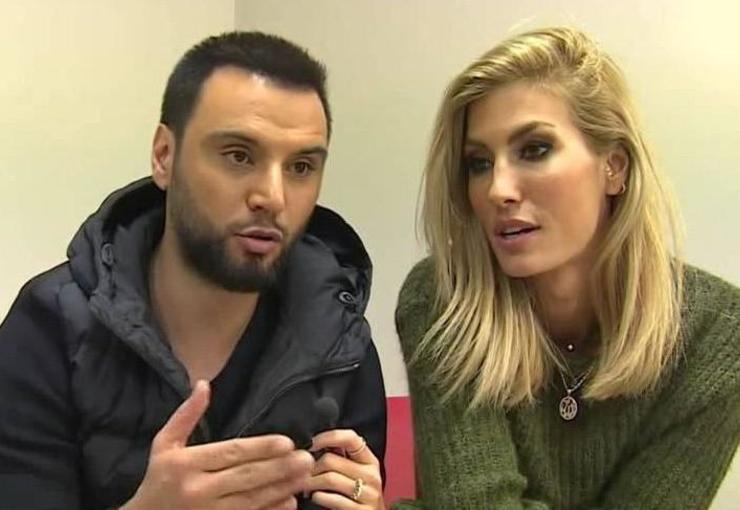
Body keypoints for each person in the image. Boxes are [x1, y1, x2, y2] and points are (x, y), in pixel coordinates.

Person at [0, 32, 386, 510]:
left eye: (301, 166)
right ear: (164, 156)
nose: (273, 196)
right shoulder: (50, 327)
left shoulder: (340, 345)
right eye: (239, 155)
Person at [393, 27, 740, 509]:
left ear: (613, 167)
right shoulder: (446, 296)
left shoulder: (719, 332)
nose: (497, 190)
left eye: (534, 150)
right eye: (478, 163)